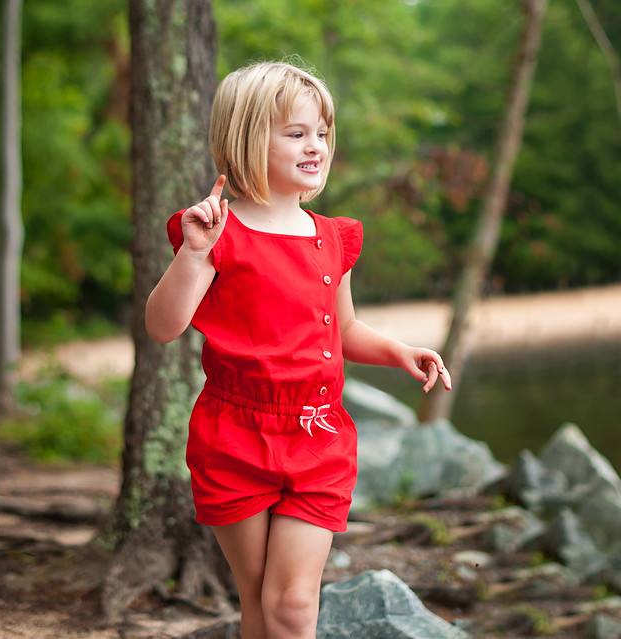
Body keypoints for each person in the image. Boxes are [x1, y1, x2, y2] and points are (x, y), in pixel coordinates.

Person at [144, 60, 453, 639]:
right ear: (246, 138)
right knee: (260, 602)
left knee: (291, 605)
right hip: (234, 434)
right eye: (296, 133)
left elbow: (344, 330)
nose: (316, 146)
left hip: (316, 438)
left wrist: (399, 351)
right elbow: (163, 327)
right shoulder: (214, 232)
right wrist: (192, 254)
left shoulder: (331, 237)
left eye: (322, 133)